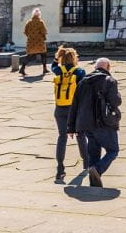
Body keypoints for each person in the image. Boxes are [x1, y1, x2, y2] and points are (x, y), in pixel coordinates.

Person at [67, 57, 121, 187]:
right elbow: (115, 102)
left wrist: (71, 127)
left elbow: (74, 105)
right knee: (113, 150)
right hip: (103, 123)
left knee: (94, 153)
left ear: (95, 68)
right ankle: (98, 169)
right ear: (108, 68)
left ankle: (94, 183)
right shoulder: (109, 81)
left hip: (85, 125)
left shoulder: (83, 82)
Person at [51, 46, 88, 181]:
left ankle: (60, 169)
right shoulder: (79, 72)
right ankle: (86, 163)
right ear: (74, 58)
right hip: (75, 109)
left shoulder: (58, 71)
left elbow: (53, 66)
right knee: (80, 135)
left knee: (62, 137)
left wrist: (57, 57)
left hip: (59, 108)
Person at [20, 8, 48, 76]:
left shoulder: (29, 22)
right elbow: (44, 31)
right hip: (39, 41)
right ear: (39, 15)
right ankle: (44, 69)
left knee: (29, 55)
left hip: (31, 41)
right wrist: (43, 37)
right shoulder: (40, 22)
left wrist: (30, 37)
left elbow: (25, 31)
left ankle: (22, 68)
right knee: (43, 54)